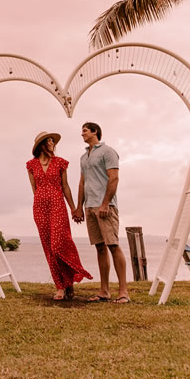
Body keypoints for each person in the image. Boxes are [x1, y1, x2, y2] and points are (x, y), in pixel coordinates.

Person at [26, 131, 92, 300]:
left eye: (52, 141)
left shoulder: (60, 163)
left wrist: (73, 208)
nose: (51, 143)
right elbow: (34, 189)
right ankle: (60, 287)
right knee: (49, 249)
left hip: (58, 205)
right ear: (41, 144)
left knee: (58, 245)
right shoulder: (31, 165)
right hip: (40, 208)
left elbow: (66, 187)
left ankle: (69, 280)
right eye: (48, 141)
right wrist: (40, 203)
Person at [74, 121, 130, 303]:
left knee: (113, 245)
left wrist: (105, 204)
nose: (82, 133)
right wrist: (79, 207)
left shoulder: (108, 152)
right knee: (99, 248)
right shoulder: (84, 157)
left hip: (105, 206)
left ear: (95, 132)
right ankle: (104, 291)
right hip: (89, 207)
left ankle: (123, 292)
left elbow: (114, 179)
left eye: (85, 130)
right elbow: (82, 183)